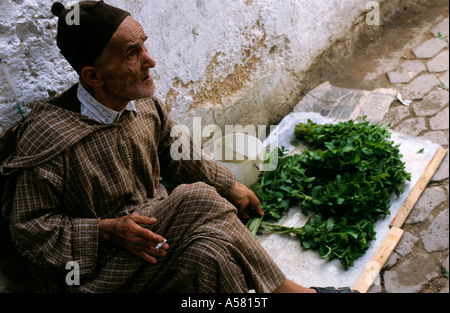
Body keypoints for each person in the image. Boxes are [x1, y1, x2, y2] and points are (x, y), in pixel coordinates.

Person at [0, 1, 356, 293]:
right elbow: (29, 230)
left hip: (156, 246)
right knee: (196, 197)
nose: (150, 60)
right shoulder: (49, 141)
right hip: (100, 274)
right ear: (93, 76)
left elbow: (176, 150)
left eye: (145, 46)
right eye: (131, 54)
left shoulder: (142, 105)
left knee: (211, 254)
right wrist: (108, 229)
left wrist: (230, 185)